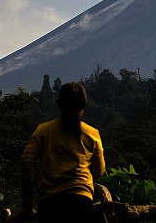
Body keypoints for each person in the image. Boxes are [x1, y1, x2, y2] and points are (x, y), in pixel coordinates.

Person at [20, 82, 106, 222]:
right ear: (84, 106)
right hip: (81, 202)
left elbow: (25, 161)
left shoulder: (43, 130)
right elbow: (99, 171)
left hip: (49, 204)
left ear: (58, 104)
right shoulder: (92, 134)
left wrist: (27, 202)